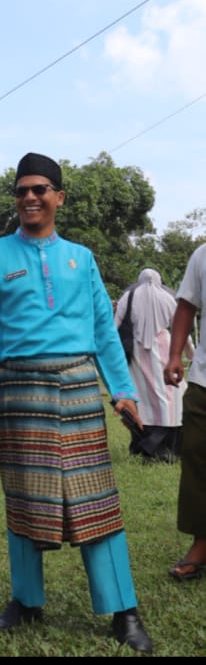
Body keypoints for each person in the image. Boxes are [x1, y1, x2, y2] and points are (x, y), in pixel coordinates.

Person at [0, 152, 152, 653]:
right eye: (22, 191)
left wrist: (122, 391)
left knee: (95, 494)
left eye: (40, 189)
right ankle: (27, 599)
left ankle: (123, 611)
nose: (30, 197)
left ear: (59, 197)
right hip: (18, 388)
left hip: (79, 383)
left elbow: (105, 329)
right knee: (23, 494)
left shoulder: (82, 258)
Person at [116, 268, 193, 462]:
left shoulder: (129, 296)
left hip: (139, 351)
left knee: (144, 398)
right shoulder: (168, 297)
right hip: (167, 348)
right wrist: (190, 353)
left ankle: (146, 446)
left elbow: (114, 324)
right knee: (173, 398)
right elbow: (180, 328)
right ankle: (169, 447)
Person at [163, 243, 206, 582]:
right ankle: (201, 544)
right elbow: (186, 305)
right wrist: (175, 354)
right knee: (195, 457)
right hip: (205, 379)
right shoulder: (202, 255)